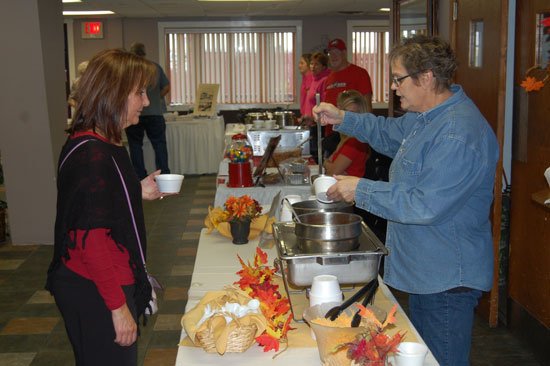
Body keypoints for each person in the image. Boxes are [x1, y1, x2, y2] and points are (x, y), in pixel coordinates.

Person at [313, 35, 499, 366]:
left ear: (426, 77)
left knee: (440, 360)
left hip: (446, 279)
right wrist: (343, 118)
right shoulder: (427, 115)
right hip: (427, 270)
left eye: (398, 79)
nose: (394, 88)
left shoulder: (458, 132)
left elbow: (424, 205)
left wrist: (361, 189)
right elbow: (390, 134)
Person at [45, 48, 166, 366]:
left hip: (101, 279)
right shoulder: (93, 156)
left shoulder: (98, 141)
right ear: (114, 95)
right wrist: (118, 307)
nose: (146, 101)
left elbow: (92, 201)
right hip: (94, 286)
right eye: (139, 92)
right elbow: (91, 239)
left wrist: (134, 190)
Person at [126, 42, 171, 179]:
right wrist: (157, 97)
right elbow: (166, 87)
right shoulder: (154, 67)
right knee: (159, 145)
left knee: (135, 146)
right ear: (144, 53)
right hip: (155, 113)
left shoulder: (128, 70)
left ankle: (139, 176)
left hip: (134, 113)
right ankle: (164, 174)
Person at [324, 38, 373, 139]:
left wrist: (363, 133)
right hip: (331, 133)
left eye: (336, 52)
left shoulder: (359, 73)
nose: (333, 56)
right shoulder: (329, 78)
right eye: (330, 53)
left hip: (351, 134)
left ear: (344, 53)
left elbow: (367, 108)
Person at [323, 90, 370, 177]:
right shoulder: (346, 139)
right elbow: (329, 164)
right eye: (345, 113)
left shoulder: (354, 141)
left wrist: (329, 165)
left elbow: (331, 172)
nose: (348, 118)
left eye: (352, 114)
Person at [299, 53, 312, 118]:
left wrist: (306, 115)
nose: (299, 65)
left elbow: (309, 98)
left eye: (302, 63)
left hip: (308, 115)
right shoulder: (305, 77)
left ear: (308, 64)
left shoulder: (309, 76)